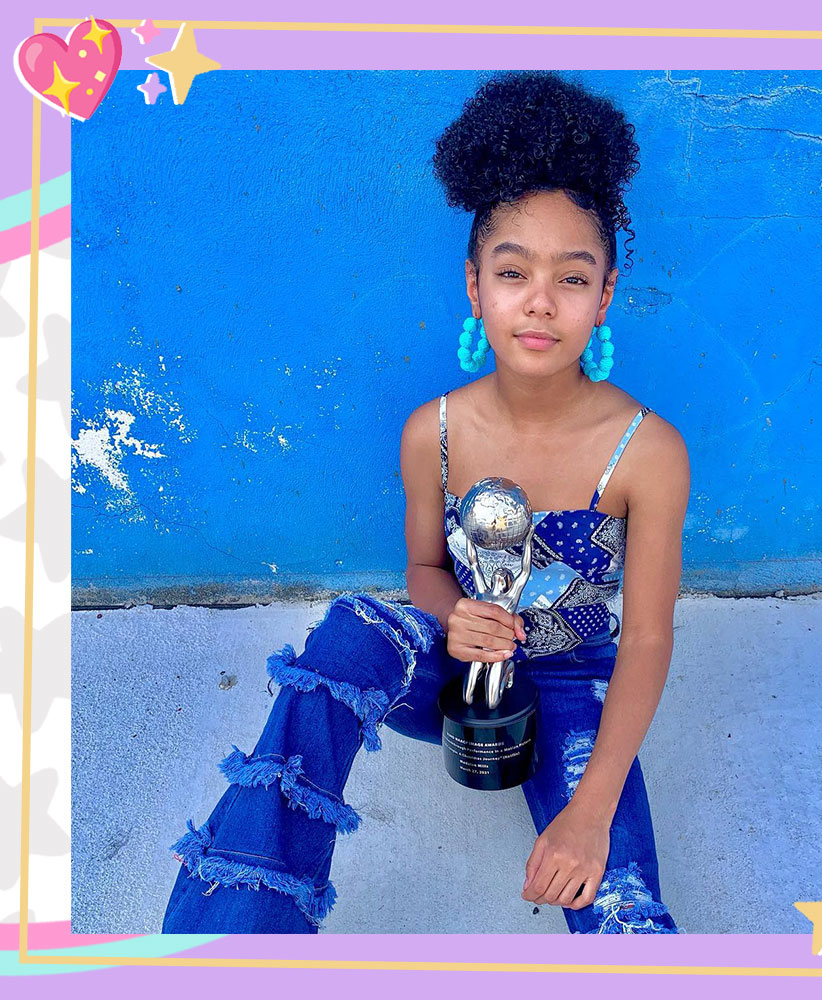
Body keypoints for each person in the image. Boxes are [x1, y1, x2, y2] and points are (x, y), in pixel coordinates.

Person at [161, 70, 690, 935]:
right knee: (351, 630)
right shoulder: (432, 432)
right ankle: (238, 935)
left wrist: (590, 813)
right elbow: (423, 568)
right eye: (513, 271)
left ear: (606, 294)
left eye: (573, 277)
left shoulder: (649, 450)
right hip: (451, 678)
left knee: (624, 910)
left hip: (572, 689)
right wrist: (455, 617)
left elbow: (651, 639)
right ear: (475, 286)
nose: (541, 302)